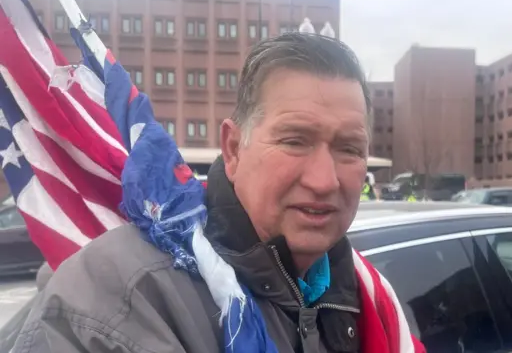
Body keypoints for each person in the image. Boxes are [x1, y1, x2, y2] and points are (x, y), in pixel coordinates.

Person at [12, 33, 418, 352]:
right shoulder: (121, 299)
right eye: (295, 140)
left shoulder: (371, 299)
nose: (325, 180)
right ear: (233, 148)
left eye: (349, 149)